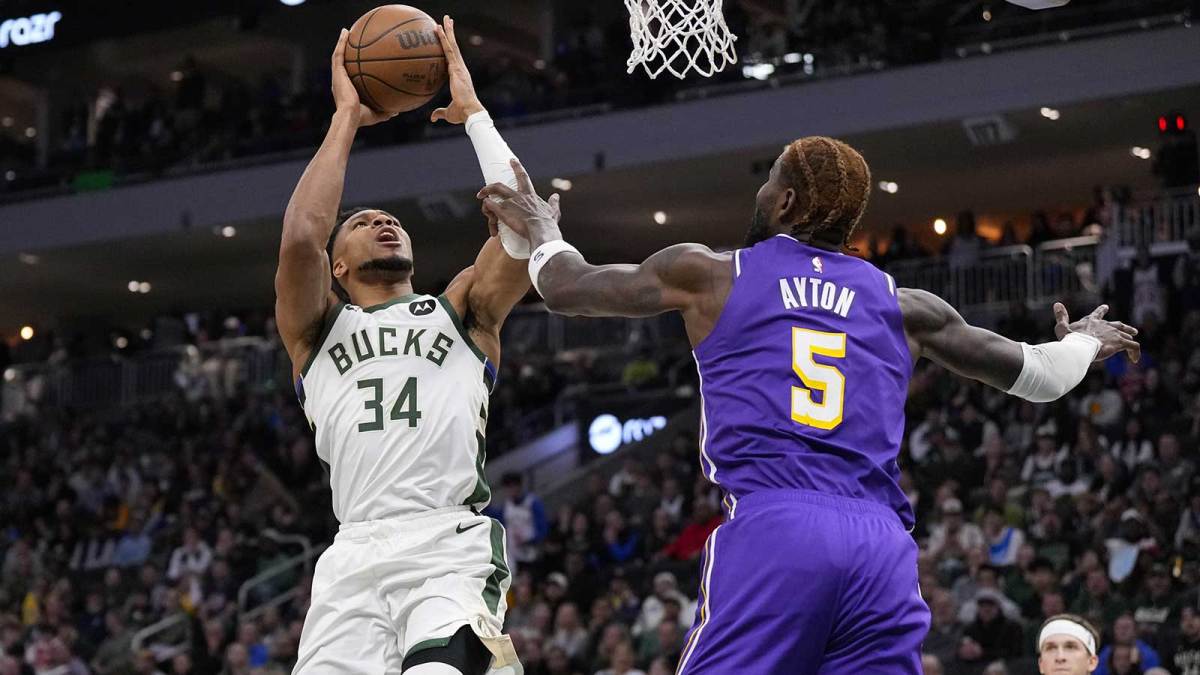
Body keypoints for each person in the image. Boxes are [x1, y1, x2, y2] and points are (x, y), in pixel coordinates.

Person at [479, 136, 1139, 673]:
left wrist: (543, 228)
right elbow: (1043, 376)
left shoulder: (710, 272)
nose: (761, 191)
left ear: (787, 200)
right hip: (882, 546)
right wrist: (1084, 339)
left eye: (768, 180)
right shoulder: (904, 304)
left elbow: (568, 288)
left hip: (780, 524)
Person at [277, 17, 535, 675]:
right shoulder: (315, 328)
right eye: (363, 223)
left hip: (446, 540)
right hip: (353, 555)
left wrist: (473, 110)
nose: (384, 222)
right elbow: (303, 235)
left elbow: (523, 222)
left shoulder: (463, 310)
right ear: (337, 266)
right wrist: (347, 118)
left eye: (391, 220)